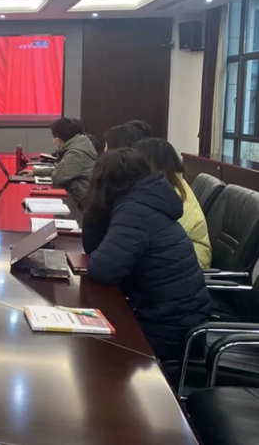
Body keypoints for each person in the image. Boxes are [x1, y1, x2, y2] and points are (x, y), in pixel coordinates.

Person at [82, 149, 211, 360]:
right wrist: (96, 210)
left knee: (88, 351)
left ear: (104, 184)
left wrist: (93, 203)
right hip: (174, 317)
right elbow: (93, 248)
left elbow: (103, 270)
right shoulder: (144, 199)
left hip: (169, 330)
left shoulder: (135, 211)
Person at [135, 138, 212, 269]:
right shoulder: (171, 183)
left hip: (192, 261)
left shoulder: (174, 194)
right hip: (178, 254)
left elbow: (161, 236)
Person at [21, 118, 97, 208]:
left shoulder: (76, 153)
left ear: (58, 140)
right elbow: (60, 169)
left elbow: (57, 177)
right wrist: (35, 172)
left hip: (81, 203)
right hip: (77, 197)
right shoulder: (79, 145)